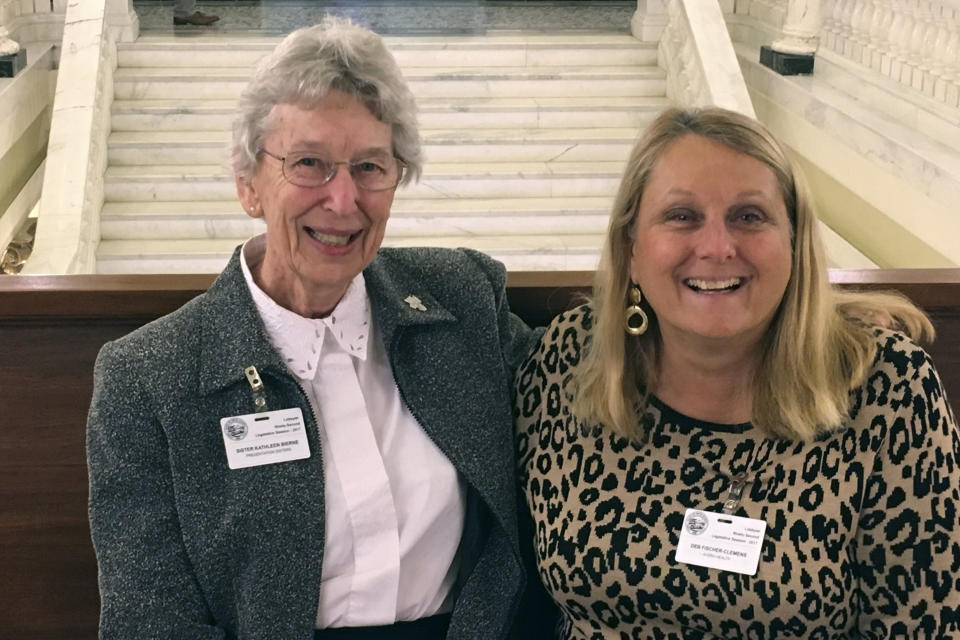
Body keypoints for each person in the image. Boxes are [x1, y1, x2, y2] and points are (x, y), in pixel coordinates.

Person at [87, 18, 536, 639]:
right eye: (309, 164)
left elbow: (580, 407)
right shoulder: (148, 378)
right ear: (248, 184)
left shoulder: (460, 301)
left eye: (371, 167)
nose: (344, 200)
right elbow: (151, 621)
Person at [514, 107, 960, 639]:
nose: (717, 247)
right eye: (681, 216)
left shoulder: (887, 390)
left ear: (794, 243)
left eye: (749, 216)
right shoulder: (571, 358)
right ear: (632, 246)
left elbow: (922, 625)